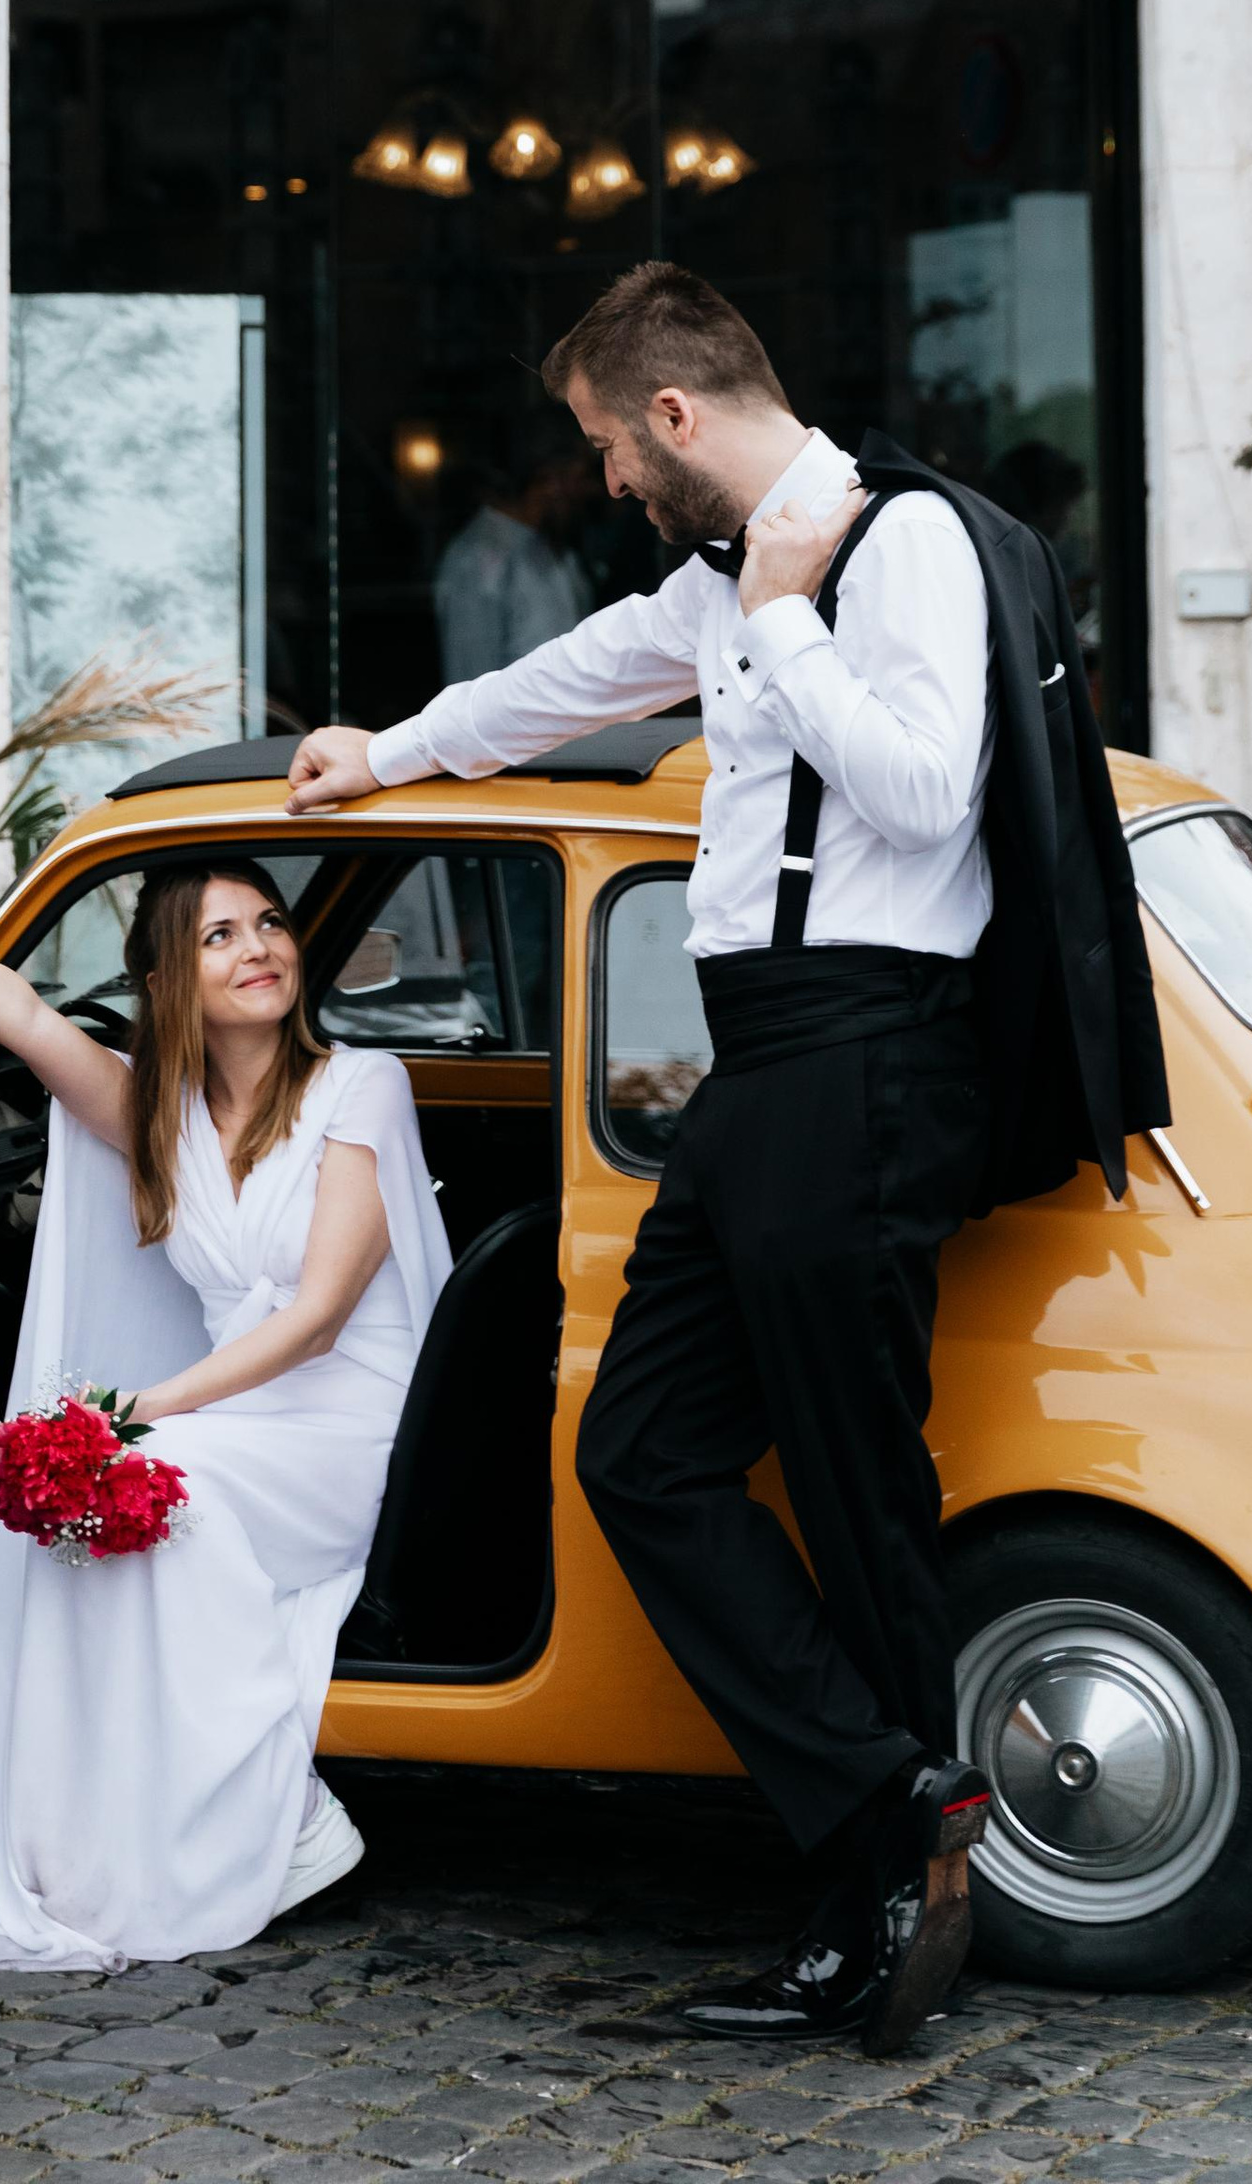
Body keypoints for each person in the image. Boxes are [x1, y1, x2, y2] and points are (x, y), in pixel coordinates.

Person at [288, 262, 1169, 2054]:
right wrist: (383, 751)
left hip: (865, 1058)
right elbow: (563, 682)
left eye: (613, 448)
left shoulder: (894, 549)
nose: (609, 483)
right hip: (764, 1077)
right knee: (641, 1448)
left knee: (860, 1493)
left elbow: (927, 794)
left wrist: (782, 622)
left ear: (677, 418)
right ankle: (885, 1798)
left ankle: (888, 1908)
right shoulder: (724, 578)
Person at [0, 821, 451, 1972]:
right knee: (87, 1521)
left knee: (164, 1486)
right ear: (167, 982)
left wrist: (140, 1409)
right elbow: (11, 1012)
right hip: (237, 1420)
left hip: (351, 1426)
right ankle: (120, 1829)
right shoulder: (153, 1117)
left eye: (267, 923)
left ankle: (293, 1814)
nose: (259, 948)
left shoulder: (364, 1085)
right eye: (219, 936)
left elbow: (314, 1319)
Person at [431, 425, 599, 682]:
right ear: (549, 480)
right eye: (581, 478)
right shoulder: (478, 558)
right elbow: (470, 677)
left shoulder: (556, 551)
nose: (590, 490)